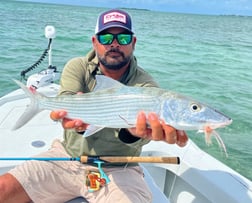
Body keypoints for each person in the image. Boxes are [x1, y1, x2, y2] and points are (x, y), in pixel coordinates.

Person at [0, 9, 188, 203]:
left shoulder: (146, 86)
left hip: (120, 168)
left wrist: (132, 134)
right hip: (68, 157)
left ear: (133, 43)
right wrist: (74, 122)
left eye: (123, 38)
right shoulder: (77, 66)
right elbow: (67, 99)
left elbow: (143, 135)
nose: (114, 44)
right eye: (106, 37)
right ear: (94, 42)